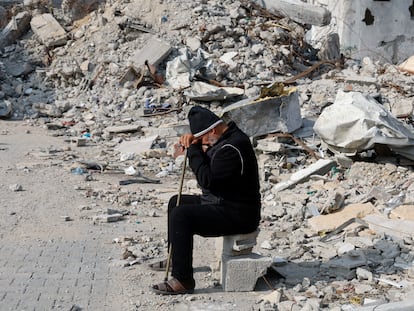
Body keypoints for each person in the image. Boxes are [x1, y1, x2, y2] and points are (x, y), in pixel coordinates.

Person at [151, 105, 261, 295]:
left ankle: (183, 280)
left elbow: (207, 180)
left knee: (181, 215)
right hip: (222, 202)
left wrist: (193, 150)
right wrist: (198, 146)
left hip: (239, 213)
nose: (203, 143)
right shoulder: (225, 139)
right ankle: (174, 258)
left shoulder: (232, 147)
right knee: (175, 202)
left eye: (202, 138)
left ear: (212, 130)